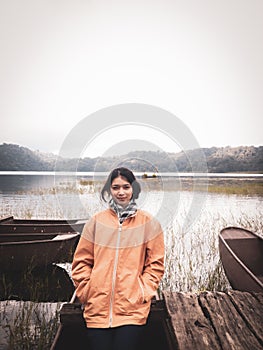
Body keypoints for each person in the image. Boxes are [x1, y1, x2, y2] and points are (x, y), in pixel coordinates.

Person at [71, 167, 165, 350]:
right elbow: (81, 261)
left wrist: (143, 291)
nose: (121, 192)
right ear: (109, 190)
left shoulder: (149, 223)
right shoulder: (96, 222)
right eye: (115, 188)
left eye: (126, 187)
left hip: (132, 309)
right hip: (96, 308)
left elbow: (155, 264)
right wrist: (86, 290)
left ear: (133, 189)